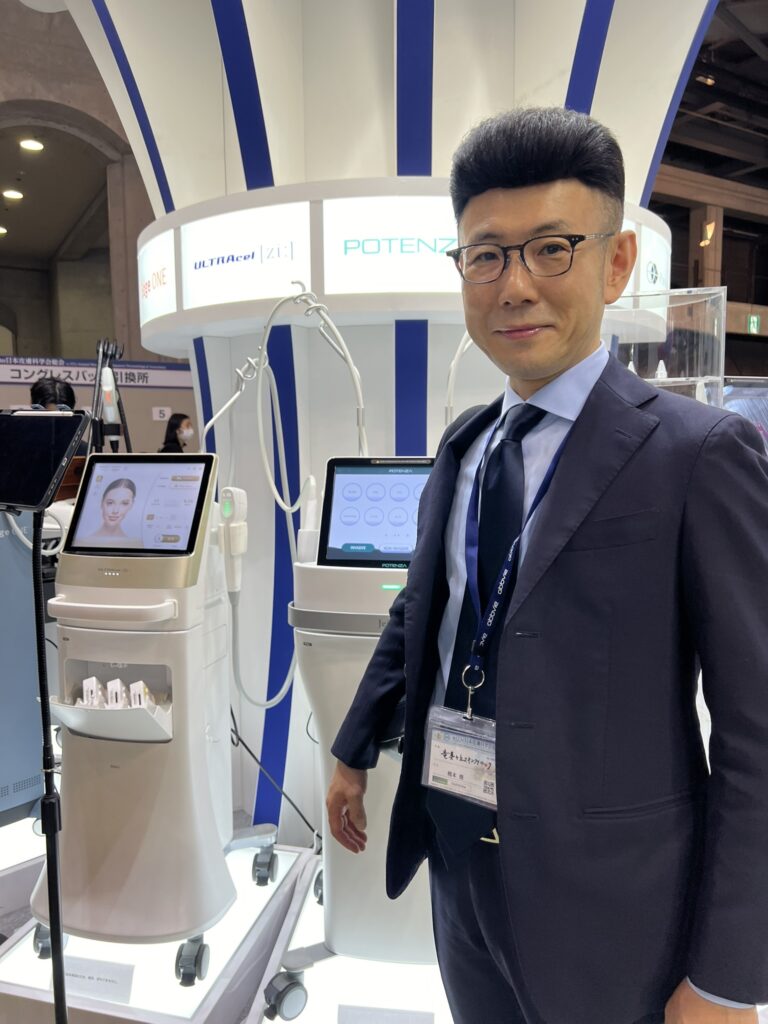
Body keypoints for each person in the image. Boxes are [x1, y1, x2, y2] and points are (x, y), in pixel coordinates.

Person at [326, 107, 768, 1024]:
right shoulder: (466, 445)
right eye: (487, 255)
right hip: (461, 870)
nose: (515, 285)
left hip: (614, 908)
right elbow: (425, 612)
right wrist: (353, 747)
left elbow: (757, 732)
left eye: (552, 249)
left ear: (616, 263)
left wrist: (729, 977)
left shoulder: (696, 454)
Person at [85, 477, 137, 542]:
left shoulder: (134, 543)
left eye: (124, 503)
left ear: (131, 505)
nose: (115, 511)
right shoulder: (85, 541)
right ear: (102, 502)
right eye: (110, 503)